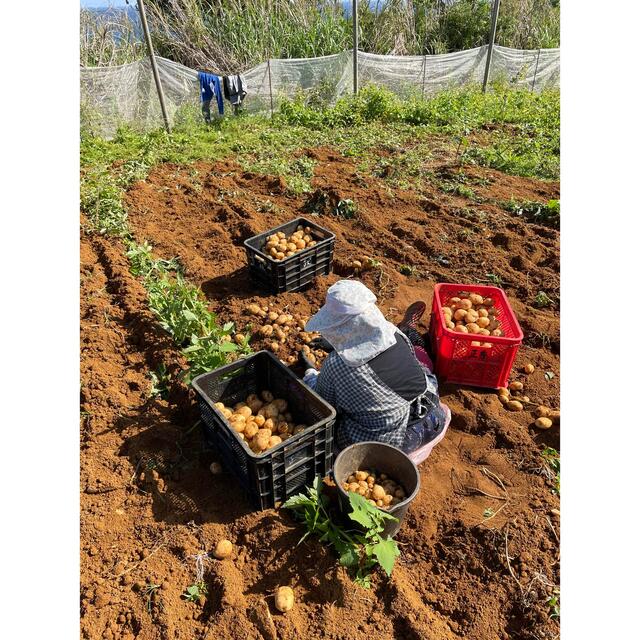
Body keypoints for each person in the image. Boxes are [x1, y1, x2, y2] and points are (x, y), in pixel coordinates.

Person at [300, 280, 450, 463]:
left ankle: (410, 329)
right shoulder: (393, 333)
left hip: (398, 443)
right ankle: (409, 330)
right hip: (434, 415)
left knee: (332, 421)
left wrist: (310, 373)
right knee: (420, 361)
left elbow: (322, 402)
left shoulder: (337, 365)